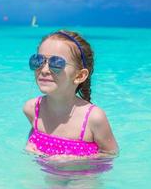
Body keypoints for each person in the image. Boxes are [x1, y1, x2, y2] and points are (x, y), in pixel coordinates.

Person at [23, 30, 118, 158]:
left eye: (56, 63)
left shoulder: (93, 118)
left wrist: (75, 161)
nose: (44, 70)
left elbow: (111, 154)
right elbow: (35, 137)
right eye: (38, 61)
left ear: (80, 75)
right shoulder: (33, 109)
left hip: (82, 177)